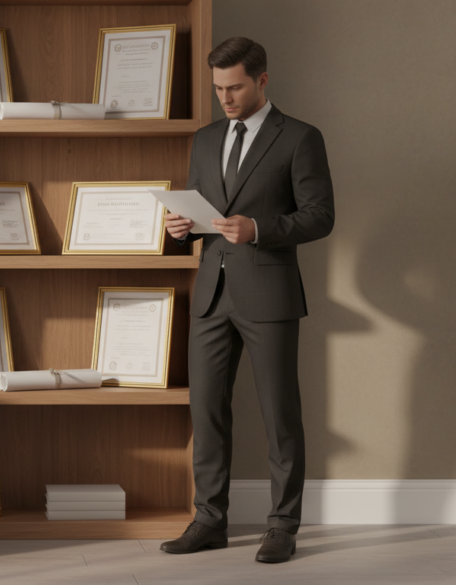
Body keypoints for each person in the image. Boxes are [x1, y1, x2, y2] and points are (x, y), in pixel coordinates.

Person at [158, 37, 334, 563]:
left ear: (261, 80)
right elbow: (200, 208)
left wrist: (259, 228)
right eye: (218, 89)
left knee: (281, 414)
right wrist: (179, 228)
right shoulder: (206, 138)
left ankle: (283, 526)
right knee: (206, 410)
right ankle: (209, 520)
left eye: (234, 87)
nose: (226, 99)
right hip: (211, 292)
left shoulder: (301, 137)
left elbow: (320, 215)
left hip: (270, 292)